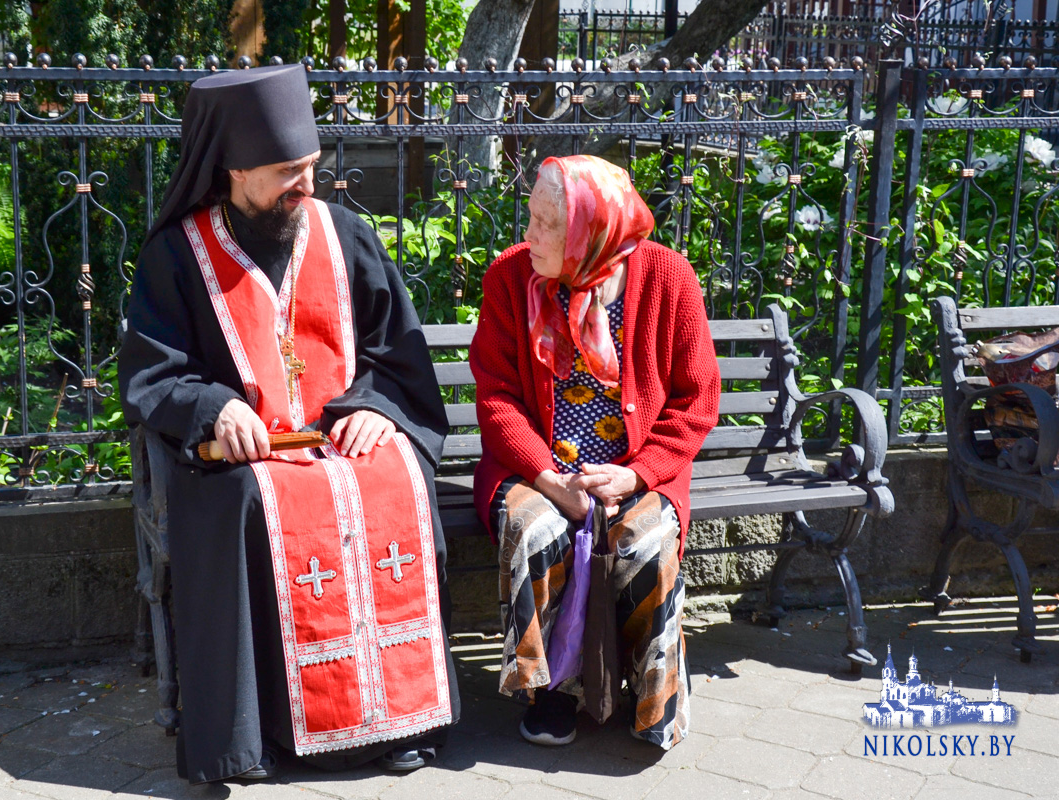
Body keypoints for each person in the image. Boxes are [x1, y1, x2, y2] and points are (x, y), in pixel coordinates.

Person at [119, 65, 459, 785]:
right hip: (243, 458)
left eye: (310, 166)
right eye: (286, 172)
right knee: (248, 503)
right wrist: (214, 407)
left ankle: (397, 720)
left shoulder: (347, 237)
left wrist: (375, 407)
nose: (306, 184)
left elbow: (398, 356)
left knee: (393, 479)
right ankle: (260, 735)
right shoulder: (175, 257)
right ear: (232, 170)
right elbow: (152, 375)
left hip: (339, 443)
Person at [470, 155, 720, 749]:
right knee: (535, 530)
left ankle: (652, 697)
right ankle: (547, 691)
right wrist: (547, 476)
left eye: (545, 224)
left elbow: (697, 399)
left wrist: (637, 476)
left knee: (643, 539)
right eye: (530, 217)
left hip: (634, 469)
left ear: (591, 230)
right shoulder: (510, 279)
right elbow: (497, 398)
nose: (527, 234)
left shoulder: (667, 278)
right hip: (533, 466)